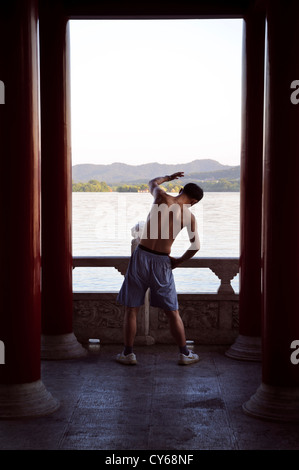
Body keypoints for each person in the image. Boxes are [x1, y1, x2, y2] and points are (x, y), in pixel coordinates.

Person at [116, 172, 204, 365]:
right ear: (194, 201)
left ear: (181, 190)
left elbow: (151, 182)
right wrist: (178, 261)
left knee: (132, 309)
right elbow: (195, 246)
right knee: (173, 312)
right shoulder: (189, 217)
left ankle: (128, 354)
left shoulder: (161, 197)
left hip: (141, 256)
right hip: (163, 262)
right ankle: (184, 354)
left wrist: (169, 177)